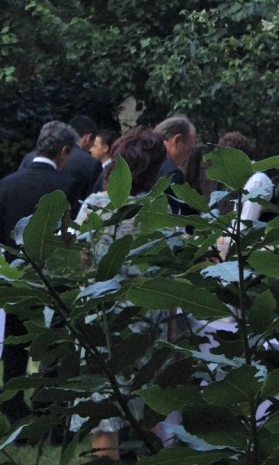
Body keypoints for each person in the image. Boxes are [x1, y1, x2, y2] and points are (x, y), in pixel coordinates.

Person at [74, 126, 167, 459]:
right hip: (145, 325)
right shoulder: (158, 212)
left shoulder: (96, 206)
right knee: (150, 420)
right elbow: (167, 278)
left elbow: (79, 263)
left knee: (104, 421)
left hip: (102, 327)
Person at [0, 120, 80, 427]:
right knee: (55, 343)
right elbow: (68, 235)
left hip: (16, 277)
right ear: (63, 151)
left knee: (15, 341)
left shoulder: (6, 184)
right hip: (53, 277)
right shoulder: (65, 186)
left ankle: (14, 405)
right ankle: (50, 406)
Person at [153, 115, 197, 215]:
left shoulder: (140, 162)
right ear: (177, 140)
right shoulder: (172, 174)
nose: (188, 156)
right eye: (190, 150)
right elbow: (178, 222)